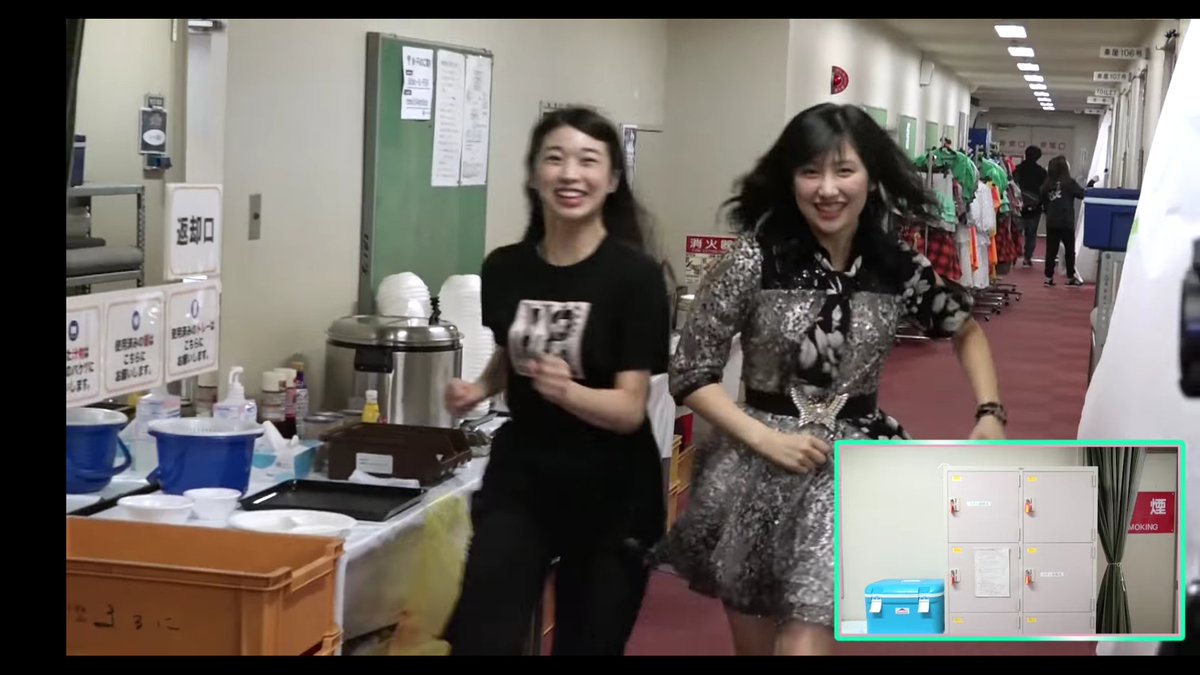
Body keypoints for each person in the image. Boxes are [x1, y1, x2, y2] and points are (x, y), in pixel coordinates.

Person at [660, 103, 1007, 656]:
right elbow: (692, 372)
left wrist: (990, 412)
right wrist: (764, 438)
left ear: (870, 177)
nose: (827, 189)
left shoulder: (894, 265)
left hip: (851, 469)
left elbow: (965, 330)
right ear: (790, 179)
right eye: (810, 172)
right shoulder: (755, 259)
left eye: (844, 170)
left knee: (807, 639)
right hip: (755, 467)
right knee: (755, 644)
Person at [440, 107, 671, 655]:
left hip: (613, 485)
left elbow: (629, 410)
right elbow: (512, 348)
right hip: (525, 473)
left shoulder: (635, 277)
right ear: (533, 174)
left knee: (587, 643)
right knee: (481, 635)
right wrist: (481, 388)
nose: (570, 174)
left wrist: (569, 391)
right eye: (555, 158)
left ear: (611, 180)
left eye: (588, 161)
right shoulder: (505, 267)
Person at [1039, 155, 1086, 287]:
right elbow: (1082, 194)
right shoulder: (1069, 183)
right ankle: (1070, 277)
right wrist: (1090, 185)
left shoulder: (1047, 184)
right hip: (1066, 221)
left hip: (1052, 221)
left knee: (1051, 250)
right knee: (1069, 250)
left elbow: (1043, 200)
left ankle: (1048, 277)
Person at [1012, 145, 1047, 267]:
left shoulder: (1017, 169)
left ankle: (1012, 256)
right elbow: (1044, 190)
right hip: (1035, 207)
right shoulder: (1042, 172)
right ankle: (1027, 258)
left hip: (1018, 205)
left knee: (1015, 232)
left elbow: (1012, 186)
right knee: (1031, 234)